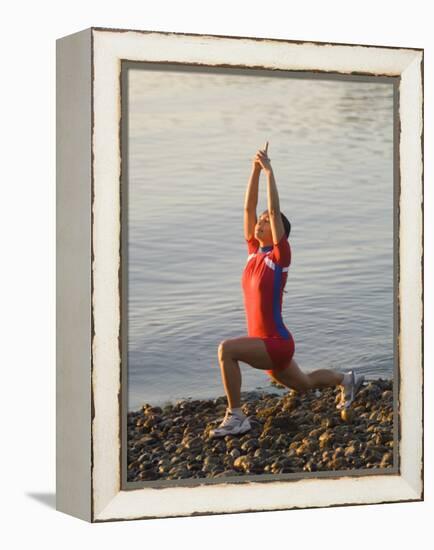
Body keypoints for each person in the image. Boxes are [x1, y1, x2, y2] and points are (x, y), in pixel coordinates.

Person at [210, 144, 364, 438]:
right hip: (267, 345)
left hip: (276, 343)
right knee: (305, 383)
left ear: (279, 231)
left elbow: (275, 209)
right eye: (261, 219)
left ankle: (236, 416)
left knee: (226, 350)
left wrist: (270, 172)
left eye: (267, 221)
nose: (260, 221)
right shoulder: (253, 253)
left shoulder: (279, 259)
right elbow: (247, 208)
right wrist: (254, 171)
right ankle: (347, 379)